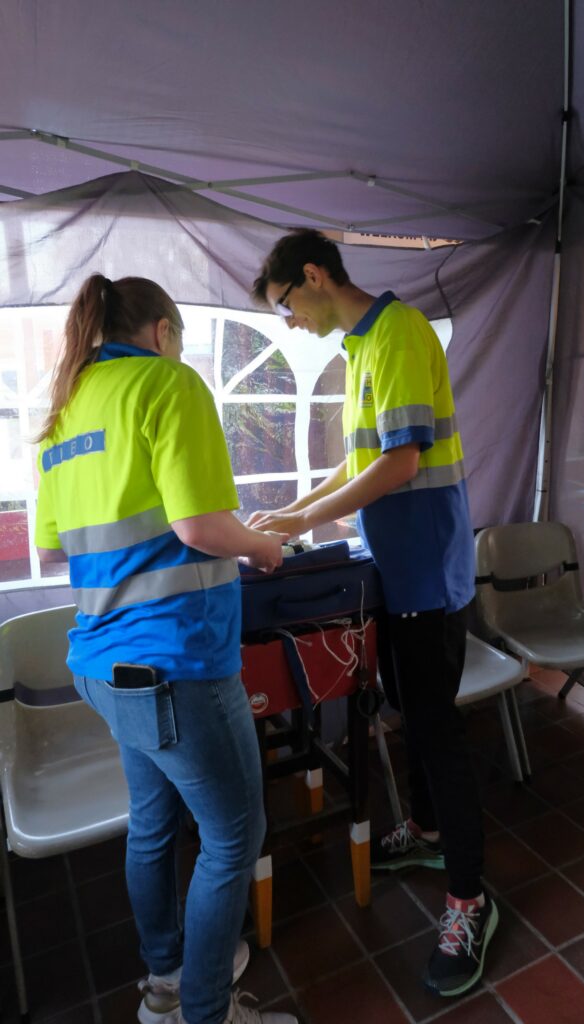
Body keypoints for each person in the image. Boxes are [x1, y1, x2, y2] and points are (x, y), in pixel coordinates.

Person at [34, 274, 297, 1024]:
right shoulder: (167, 384)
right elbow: (201, 529)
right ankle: (205, 1012)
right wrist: (263, 546)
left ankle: (165, 985)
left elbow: (57, 549)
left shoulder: (64, 412)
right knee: (233, 836)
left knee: (152, 826)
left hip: (103, 667)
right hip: (177, 665)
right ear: (162, 332)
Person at [249, 230, 498, 998]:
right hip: (396, 569)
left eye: (286, 306)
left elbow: (401, 463)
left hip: (427, 568)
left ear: (314, 276)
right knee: (407, 712)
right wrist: (293, 510)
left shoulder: (398, 333)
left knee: (434, 727)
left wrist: (296, 525)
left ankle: (469, 900)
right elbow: (360, 462)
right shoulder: (361, 348)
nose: (289, 323)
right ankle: (422, 831)